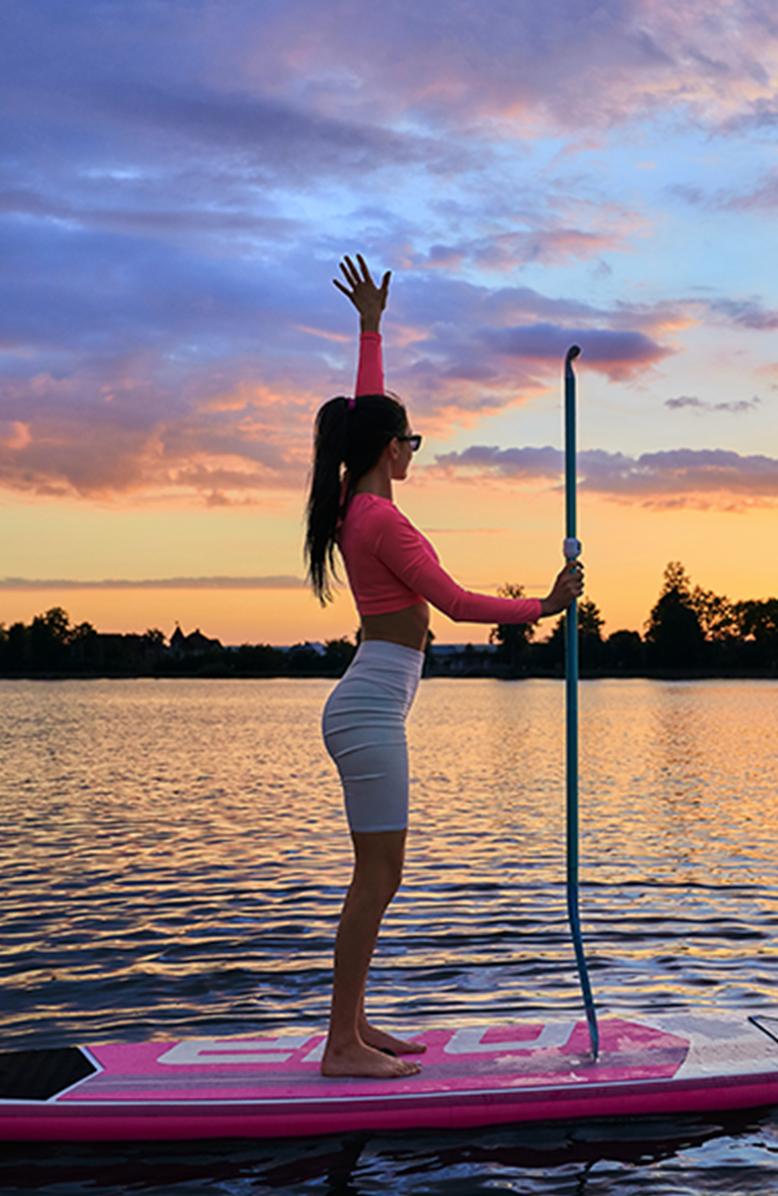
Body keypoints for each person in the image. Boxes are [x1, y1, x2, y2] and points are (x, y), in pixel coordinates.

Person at [304, 254, 584, 1079]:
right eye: (411, 439)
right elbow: (458, 606)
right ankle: (339, 1046)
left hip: (368, 706)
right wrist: (545, 605)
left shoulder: (361, 499)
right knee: (378, 876)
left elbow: (364, 411)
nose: (414, 448)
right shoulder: (383, 523)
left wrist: (369, 329)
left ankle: (354, 1026)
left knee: (377, 875)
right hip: (366, 715)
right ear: (392, 450)